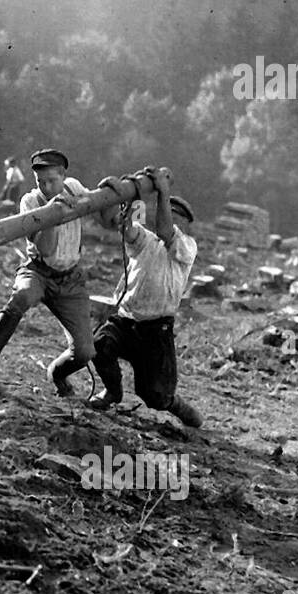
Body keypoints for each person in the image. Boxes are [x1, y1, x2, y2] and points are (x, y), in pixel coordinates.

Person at [0, 148, 96, 395]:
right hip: (38, 271)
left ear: (63, 175)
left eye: (52, 180)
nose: (47, 186)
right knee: (20, 299)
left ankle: (57, 376)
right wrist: (53, 212)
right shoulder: (30, 201)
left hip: (70, 279)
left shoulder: (74, 188)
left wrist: (111, 190)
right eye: (41, 181)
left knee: (84, 352)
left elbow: (100, 209)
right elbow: (46, 248)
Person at [87, 166, 204, 428]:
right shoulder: (145, 239)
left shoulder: (186, 247)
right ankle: (113, 392)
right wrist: (116, 194)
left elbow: (166, 230)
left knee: (154, 395)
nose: (171, 218)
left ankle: (174, 405)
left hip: (156, 329)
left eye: (177, 216)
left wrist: (163, 192)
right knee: (99, 346)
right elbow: (119, 224)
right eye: (168, 211)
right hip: (127, 319)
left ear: (185, 224)